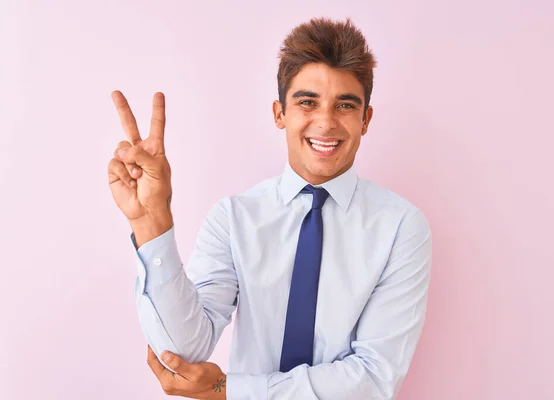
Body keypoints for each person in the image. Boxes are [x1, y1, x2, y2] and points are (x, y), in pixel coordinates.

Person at [108, 17, 432, 400]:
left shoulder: (400, 227)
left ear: (365, 119)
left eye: (345, 105)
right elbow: (184, 352)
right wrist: (151, 222)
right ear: (279, 113)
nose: (326, 122)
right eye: (307, 102)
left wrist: (230, 390)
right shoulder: (234, 218)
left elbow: (374, 378)